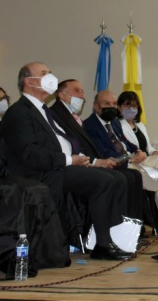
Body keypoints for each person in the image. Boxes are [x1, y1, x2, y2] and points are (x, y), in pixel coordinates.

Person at [0, 62, 133, 260]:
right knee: (104, 180)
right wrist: (69, 160)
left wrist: (85, 161)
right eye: (44, 73)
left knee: (113, 177)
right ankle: (102, 244)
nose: (50, 77)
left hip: (59, 167)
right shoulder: (19, 112)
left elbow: (61, 143)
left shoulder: (44, 111)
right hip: (40, 173)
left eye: (50, 72)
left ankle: (109, 239)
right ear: (29, 81)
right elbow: (29, 154)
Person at [51, 82, 145, 225]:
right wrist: (99, 162)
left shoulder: (112, 122)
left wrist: (136, 151)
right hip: (76, 165)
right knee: (119, 177)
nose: (82, 95)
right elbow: (93, 149)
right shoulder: (66, 117)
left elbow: (123, 142)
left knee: (134, 176)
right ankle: (113, 229)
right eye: (77, 91)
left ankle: (133, 228)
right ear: (61, 94)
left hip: (96, 161)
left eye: (114, 103)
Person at [107, 90, 158, 228]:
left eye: (134, 106)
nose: (131, 109)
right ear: (119, 107)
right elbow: (122, 148)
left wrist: (156, 152)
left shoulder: (140, 125)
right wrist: (137, 156)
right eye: (127, 106)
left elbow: (148, 148)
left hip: (147, 159)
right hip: (136, 162)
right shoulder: (117, 125)